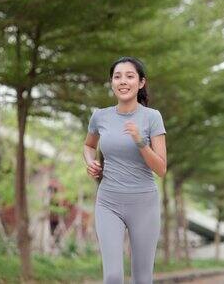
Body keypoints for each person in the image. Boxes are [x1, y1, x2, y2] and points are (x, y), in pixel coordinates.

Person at [83, 56, 167, 284]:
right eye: (117, 76)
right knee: (112, 276)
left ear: (141, 83)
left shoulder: (152, 117)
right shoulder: (100, 116)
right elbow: (89, 145)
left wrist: (141, 143)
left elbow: (161, 168)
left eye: (130, 76)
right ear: (111, 82)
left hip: (144, 204)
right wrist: (90, 162)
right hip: (108, 202)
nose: (123, 81)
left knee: (142, 278)